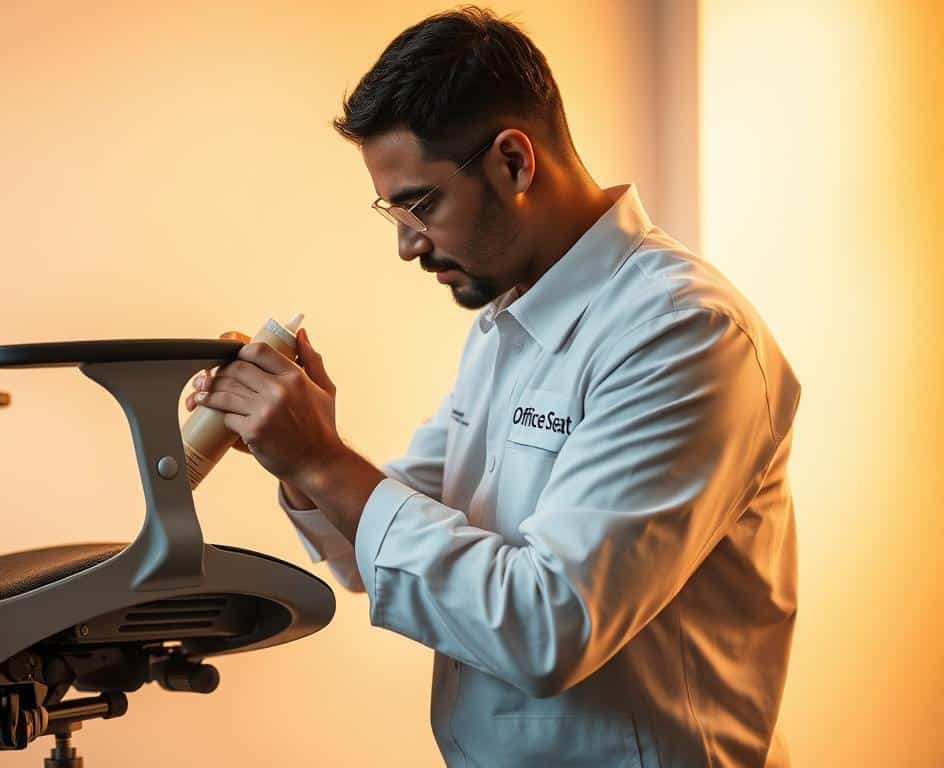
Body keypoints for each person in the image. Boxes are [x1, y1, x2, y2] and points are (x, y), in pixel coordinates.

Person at [184, 7, 800, 766]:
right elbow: (389, 539)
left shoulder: (684, 332)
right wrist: (299, 447)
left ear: (513, 162)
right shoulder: (510, 323)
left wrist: (319, 460)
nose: (407, 244)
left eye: (419, 205)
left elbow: (547, 627)